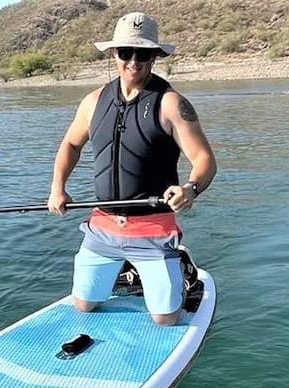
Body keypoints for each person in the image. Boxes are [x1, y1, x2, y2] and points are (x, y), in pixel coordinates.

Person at [47, 11, 217, 326]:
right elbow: (70, 145)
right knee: (84, 306)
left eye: (144, 53)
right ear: (114, 54)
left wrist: (190, 188)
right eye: (126, 52)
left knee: (166, 319)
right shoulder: (93, 101)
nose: (133, 61)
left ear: (155, 56)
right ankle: (126, 268)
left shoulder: (170, 104)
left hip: (152, 228)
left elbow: (205, 159)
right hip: (103, 227)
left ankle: (180, 265)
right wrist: (58, 188)